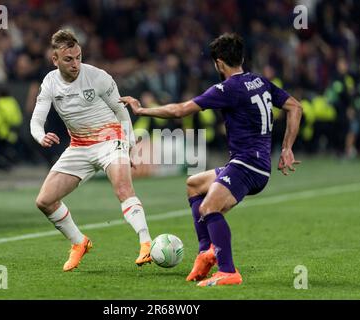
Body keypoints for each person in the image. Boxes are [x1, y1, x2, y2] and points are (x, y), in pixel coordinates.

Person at [120, 33, 302, 287]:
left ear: (219, 63)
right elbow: (295, 107)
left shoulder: (228, 88)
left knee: (208, 208)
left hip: (247, 166)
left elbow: (180, 110)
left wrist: (141, 110)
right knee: (194, 184)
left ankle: (228, 271)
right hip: (252, 164)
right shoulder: (259, 81)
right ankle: (206, 253)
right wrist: (287, 148)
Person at [30, 29, 152, 272]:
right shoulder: (50, 83)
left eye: (78, 57)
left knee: (123, 188)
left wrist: (127, 144)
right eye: (68, 59)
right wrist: (41, 136)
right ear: (55, 60)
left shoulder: (98, 77)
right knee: (44, 201)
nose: (75, 64)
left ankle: (146, 243)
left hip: (110, 138)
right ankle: (79, 243)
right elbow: (36, 120)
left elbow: (122, 113)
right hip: (79, 146)